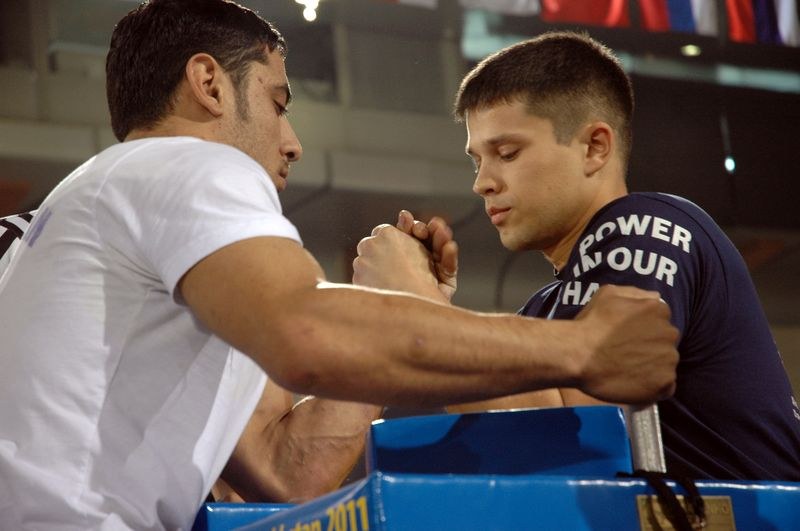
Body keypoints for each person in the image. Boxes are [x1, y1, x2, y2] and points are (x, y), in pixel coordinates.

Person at [0, 2, 680, 528]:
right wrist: (583, 343)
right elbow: (309, 335)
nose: (291, 143)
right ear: (208, 83)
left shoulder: (141, 240)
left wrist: (385, 300)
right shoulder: (181, 163)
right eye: (277, 101)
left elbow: (291, 470)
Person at [353, 31, 800, 481]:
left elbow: (577, 437)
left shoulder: (645, 226)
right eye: (477, 161)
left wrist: (416, 305)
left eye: (506, 153)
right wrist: (427, 305)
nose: (482, 183)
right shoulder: (542, 310)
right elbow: (512, 450)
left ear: (594, 147)